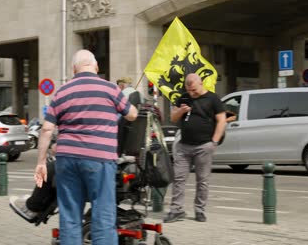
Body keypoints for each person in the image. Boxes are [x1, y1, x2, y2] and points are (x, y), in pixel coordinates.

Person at [19, 49, 138, 245]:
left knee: (70, 217)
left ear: (74, 69)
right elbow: (132, 115)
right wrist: (128, 104)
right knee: (103, 216)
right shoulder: (110, 88)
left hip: (67, 160)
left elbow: (47, 129)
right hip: (100, 159)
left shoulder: (62, 92)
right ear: (96, 67)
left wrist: (40, 162)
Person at [164, 73, 226, 223]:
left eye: (194, 90)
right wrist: (181, 111)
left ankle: (200, 210)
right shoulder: (184, 97)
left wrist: (214, 142)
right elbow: (173, 118)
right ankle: (176, 210)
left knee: (202, 180)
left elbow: (221, 121)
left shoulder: (213, 99)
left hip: (204, 145)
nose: (191, 93)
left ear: (200, 84)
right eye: (189, 89)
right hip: (184, 145)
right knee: (179, 178)